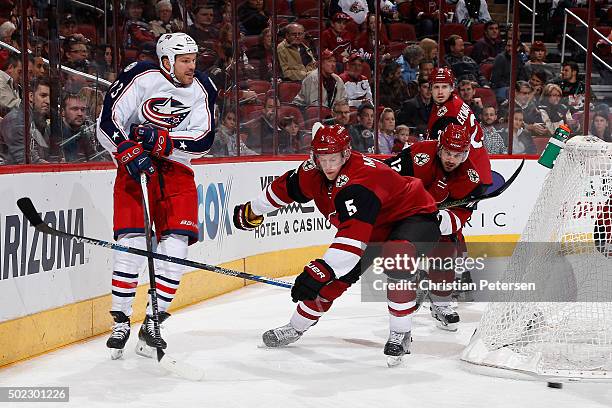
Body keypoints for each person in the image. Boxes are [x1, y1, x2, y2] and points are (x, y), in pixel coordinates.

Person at [233, 123, 441, 364]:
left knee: (396, 257)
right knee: (330, 283)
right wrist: (253, 210)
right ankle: (295, 326)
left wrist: (320, 270)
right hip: (372, 226)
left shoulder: (360, 181)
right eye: (323, 159)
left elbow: (353, 239)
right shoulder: (312, 170)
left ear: (346, 153)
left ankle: (400, 331)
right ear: (314, 157)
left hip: (412, 216)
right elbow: (284, 190)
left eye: (334, 159)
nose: (329, 166)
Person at [96, 33, 217, 359]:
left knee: (175, 248)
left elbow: (204, 139)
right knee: (132, 247)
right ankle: (120, 319)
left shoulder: (203, 87)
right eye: (185, 60)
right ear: (166, 61)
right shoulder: (140, 76)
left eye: (194, 59)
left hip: (177, 174)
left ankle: (153, 320)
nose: (192, 66)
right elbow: (107, 121)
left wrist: (165, 141)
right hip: (134, 170)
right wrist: (126, 149)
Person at [385, 123, 488, 330]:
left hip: (437, 218)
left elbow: (461, 215)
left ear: (466, 154)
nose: (451, 159)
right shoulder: (419, 153)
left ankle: (440, 302)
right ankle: (408, 290)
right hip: (405, 210)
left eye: (457, 155)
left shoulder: (470, 178)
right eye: (448, 152)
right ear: (440, 146)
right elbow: (387, 174)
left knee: (447, 247)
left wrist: (442, 218)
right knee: (401, 249)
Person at [427, 67, 492, 185]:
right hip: (476, 167)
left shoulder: (451, 115)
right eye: (436, 87)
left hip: (468, 174)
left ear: (452, 88)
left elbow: (450, 154)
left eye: (444, 87)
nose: (440, 92)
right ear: (430, 89)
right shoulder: (451, 101)